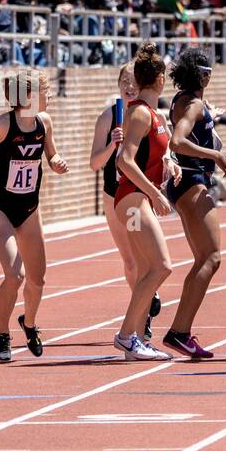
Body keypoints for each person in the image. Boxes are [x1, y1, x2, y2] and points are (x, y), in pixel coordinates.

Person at [0, 70, 68, 363]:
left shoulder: (43, 122)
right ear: (31, 95)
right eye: (45, 92)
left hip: (30, 208)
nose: (49, 98)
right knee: (14, 275)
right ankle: (2, 333)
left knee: (38, 280)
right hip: (0, 207)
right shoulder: (1, 125)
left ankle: (30, 323)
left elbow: (51, 154)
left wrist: (56, 162)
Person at [161, 48, 226, 359]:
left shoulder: (184, 100)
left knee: (206, 258)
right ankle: (180, 331)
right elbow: (177, 141)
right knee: (211, 258)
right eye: (209, 72)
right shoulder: (193, 103)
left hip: (188, 182)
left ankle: (181, 330)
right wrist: (213, 154)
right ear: (203, 75)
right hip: (190, 180)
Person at [87, 63, 163, 340]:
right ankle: (141, 316)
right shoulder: (109, 117)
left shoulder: (148, 115)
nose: (129, 88)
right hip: (113, 194)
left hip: (140, 195)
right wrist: (111, 145)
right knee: (131, 261)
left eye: (133, 82)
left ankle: (142, 312)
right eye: (124, 83)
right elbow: (95, 163)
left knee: (148, 261)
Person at [112, 43, 176, 361]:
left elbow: (156, 154)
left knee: (147, 270)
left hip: (140, 199)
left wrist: (170, 165)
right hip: (132, 200)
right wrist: (155, 192)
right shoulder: (139, 112)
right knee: (162, 266)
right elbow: (125, 161)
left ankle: (135, 337)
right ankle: (126, 335)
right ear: (161, 79)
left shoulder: (156, 114)